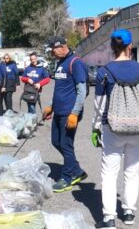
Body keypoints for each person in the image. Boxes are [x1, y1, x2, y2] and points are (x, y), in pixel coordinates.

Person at [92, 29, 139, 227]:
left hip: (113, 128)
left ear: (112, 48)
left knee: (109, 173)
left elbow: (99, 105)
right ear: (130, 46)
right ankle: (128, 213)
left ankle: (109, 217)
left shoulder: (104, 72)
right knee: (132, 171)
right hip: (137, 128)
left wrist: (96, 128)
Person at [41, 36, 87, 194]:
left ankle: (67, 178)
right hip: (58, 111)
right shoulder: (60, 63)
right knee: (56, 142)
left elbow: (82, 91)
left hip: (69, 114)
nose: (52, 53)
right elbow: (59, 89)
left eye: (53, 49)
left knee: (66, 145)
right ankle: (77, 170)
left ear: (62, 47)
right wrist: (51, 107)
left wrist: (75, 113)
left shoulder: (76, 63)